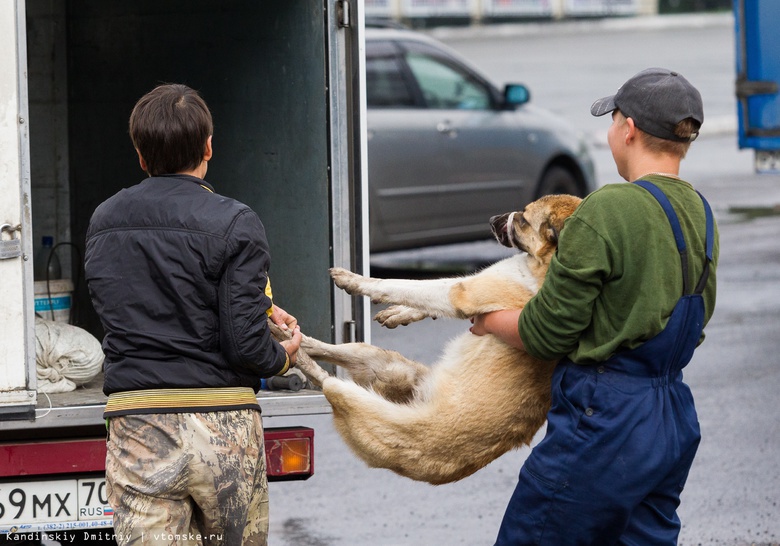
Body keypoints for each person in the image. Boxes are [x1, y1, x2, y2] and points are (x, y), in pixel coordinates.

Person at [470, 68, 719, 545]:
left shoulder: (606, 209)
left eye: (613, 121)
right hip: (671, 419)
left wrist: (487, 318)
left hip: (604, 420)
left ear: (628, 130)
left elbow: (547, 334)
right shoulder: (701, 212)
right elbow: (695, 320)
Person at [85, 83, 301, 546]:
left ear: (141, 156)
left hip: (138, 423)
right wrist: (282, 357)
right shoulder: (236, 221)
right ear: (207, 148)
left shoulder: (104, 220)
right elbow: (244, 341)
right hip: (222, 423)